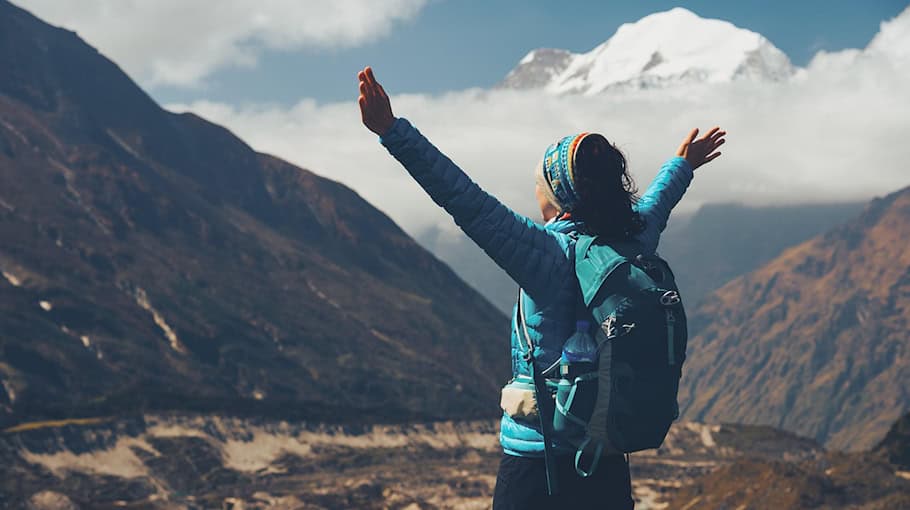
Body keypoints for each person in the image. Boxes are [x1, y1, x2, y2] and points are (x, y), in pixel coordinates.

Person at [357, 66, 725, 509]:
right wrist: (682, 165)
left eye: (538, 183)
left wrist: (392, 132)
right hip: (607, 456)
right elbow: (656, 204)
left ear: (557, 192)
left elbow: (461, 197)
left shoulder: (542, 254)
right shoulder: (632, 241)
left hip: (539, 465)